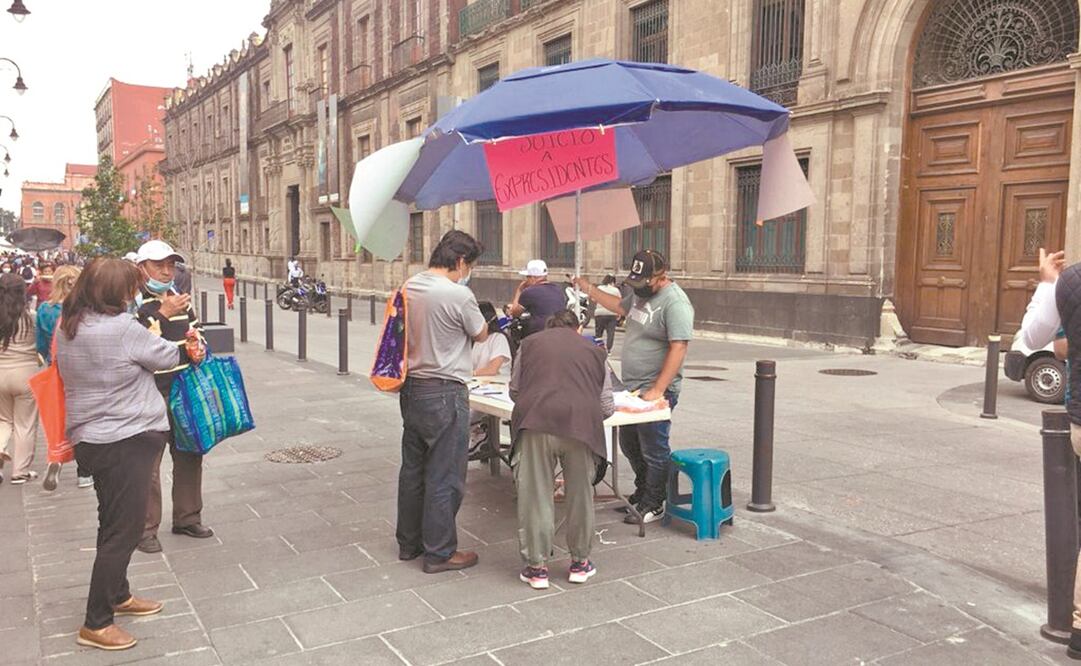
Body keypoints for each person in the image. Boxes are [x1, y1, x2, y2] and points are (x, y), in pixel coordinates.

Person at [56, 258, 186, 651]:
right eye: (131, 287)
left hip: (93, 439)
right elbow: (167, 356)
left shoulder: (71, 323)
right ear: (117, 293)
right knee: (123, 531)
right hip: (124, 439)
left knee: (110, 520)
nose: (135, 293)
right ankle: (97, 621)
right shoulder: (122, 329)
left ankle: (119, 593)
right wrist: (159, 320)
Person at [574, 249, 693, 524]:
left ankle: (655, 500)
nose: (639, 289)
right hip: (631, 389)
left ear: (660, 276)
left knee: (653, 445)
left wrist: (659, 389)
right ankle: (641, 491)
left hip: (655, 389)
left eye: (644, 283)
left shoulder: (676, 303)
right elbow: (618, 307)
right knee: (629, 443)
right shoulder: (641, 294)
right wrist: (589, 288)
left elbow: (679, 347)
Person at [398, 230, 488, 574]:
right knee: (445, 474)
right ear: (461, 262)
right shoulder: (458, 294)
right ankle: (439, 552)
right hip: (446, 391)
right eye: (470, 265)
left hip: (412, 389)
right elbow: (480, 333)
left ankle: (409, 543)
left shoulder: (411, 285)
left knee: (414, 469)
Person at [510, 309, 613, 589]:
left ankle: (537, 567)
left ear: (547, 327)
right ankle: (580, 563)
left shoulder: (529, 345)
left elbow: (515, 391)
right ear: (578, 328)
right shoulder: (595, 352)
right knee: (580, 494)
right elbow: (606, 406)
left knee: (535, 495)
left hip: (535, 423)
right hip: (581, 428)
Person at [133, 240, 211, 554]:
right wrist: (162, 314)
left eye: (170, 265)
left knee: (190, 455)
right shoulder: (133, 304)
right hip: (150, 393)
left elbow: (195, 328)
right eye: (158, 265)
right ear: (141, 268)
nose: (166, 272)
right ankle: (145, 529)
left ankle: (187, 516)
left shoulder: (180, 300)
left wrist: (198, 342)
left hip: (184, 389)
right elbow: (140, 345)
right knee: (147, 466)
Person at [37, 265, 90, 490]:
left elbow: (40, 343)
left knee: (60, 416)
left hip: (57, 368)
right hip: (83, 371)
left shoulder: (45, 309)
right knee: (84, 420)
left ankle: (56, 455)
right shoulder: (85, 309)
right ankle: (84, 473)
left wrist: (45, 359)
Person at [0, 274, 40, 485]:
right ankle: (20, 471)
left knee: (3, 420)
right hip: (26, 374)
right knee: (25, 424)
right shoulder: (30, 317)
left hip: (0, 373)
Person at [506, 260, 565, 338]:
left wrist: (519, 289)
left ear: (533, 278)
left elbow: (514, 313)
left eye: (527, 277)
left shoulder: (529, 292)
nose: (525, 280)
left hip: (539, 335)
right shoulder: (558, 290)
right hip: (560, 332)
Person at [472, 302, 511, 377]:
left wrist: (470, 374)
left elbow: (492, 369)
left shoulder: (499, 338)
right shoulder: (474, 340)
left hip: (496, 386)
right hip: (477, 384)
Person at [593, 274, 622, 353]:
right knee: (610, 333)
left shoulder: (599, 288)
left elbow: (594, 299)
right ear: (613, 281)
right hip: (612, 314)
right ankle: (609, 349)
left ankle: (598, 348)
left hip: (599, 313)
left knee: (598, 332)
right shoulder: (616, 290)